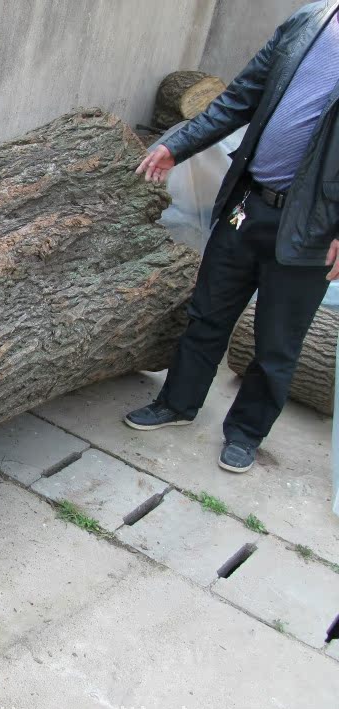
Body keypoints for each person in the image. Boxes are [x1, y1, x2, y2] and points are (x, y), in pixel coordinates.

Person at [127, 0, 339, 473]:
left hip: (314, 230)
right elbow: (240, 97)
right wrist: (176, 145)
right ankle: (177, 404)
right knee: (207, 313)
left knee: (275, 344)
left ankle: (245, 434)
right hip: (249, 203)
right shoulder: (311, 20)